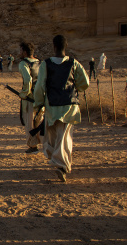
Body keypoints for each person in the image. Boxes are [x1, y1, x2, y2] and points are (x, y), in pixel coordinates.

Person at [33, 35, 89, 182]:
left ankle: (61, 165)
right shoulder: (74, 63)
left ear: (54, 46)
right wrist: (76, 88)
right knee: (64, 136)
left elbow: (40, 86)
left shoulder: (46, 64)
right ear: (66, 46)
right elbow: (85, 83)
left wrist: (38, 103)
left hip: (52, 106)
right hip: (69, 106)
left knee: (52, 136)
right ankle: (60, 162)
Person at [18, 41, 44, 154]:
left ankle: (33, 146)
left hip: (30, 98)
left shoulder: (24, 64)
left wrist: (24, 94)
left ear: (24, 52)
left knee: (29, 122)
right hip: (41, 97)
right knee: (39, 121)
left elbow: (28, 80)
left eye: (20, 51)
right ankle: (45, 144)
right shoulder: (40, 62)